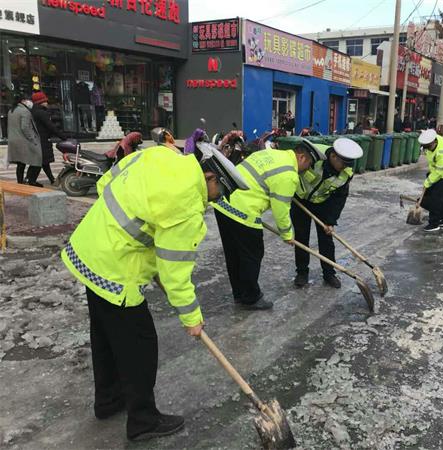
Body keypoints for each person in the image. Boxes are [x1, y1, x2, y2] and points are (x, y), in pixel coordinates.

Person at [61, 128, 248, 442]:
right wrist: (192, 318)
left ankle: (108, 401)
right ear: (210, 178)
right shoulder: (188, 204)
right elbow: (176, 272)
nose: (219, 201)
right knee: (140, 346)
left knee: (106, 336)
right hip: (116, 270)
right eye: (222, 192)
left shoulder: (160, 154)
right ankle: (143, 420)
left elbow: (108, 181)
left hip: (88, 248)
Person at [212, 140, 323, 310]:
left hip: (223, 203)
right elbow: (281, 209)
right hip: (243, 212)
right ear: (301, 157)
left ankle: (239, 294)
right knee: (252, 255)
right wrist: (287, 234)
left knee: (233, 254)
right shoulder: (288, 174)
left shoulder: (272, 153)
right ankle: (251, 298)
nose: (307, 169)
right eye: (309, 164)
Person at [292, 138, 363, 288]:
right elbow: (292, 169)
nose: (345, 168)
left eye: (348, 165)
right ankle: (302, 273)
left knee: (326, 238)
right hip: (299, 199)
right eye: (343, 164)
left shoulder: (346, 172)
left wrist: (331, 220)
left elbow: (340, 197)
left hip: (322, 203)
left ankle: (329, 273)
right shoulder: (313, 155)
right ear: (333, 157)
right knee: (301, 237)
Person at [30, 92, 67, 185]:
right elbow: (51, 127)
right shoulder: (41, 113)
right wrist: (63, 136)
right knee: (41, 161)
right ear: (40, 102)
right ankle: (31, 180)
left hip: (37, 139)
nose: (47, 102)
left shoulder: (33, 111)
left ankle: (51, 179)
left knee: (43, 162)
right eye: (45, 101)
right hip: (42, 139)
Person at [7, 93, 42, 186]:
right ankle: (31, 181)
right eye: (27, 100)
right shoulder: (24, 111)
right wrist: (32, 139)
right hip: (23, 141)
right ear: (23, 101)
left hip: (13, 140)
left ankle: (20, 182)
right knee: (37, 159)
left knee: (20, 163)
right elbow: (25, 127)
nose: (29, 102)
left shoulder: (11, 110)